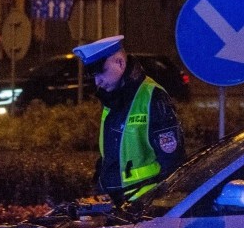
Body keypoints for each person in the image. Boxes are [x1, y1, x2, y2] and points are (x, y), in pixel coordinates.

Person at [73, 35, 185, 204]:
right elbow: (111, 156)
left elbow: (173, 163)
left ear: (120, 62)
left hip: (144, 207)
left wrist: (158, 206)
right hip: (116, 204)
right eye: (93, 76)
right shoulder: (112, 98)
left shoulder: (153, 97)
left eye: (101, 72)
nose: (98, 82)